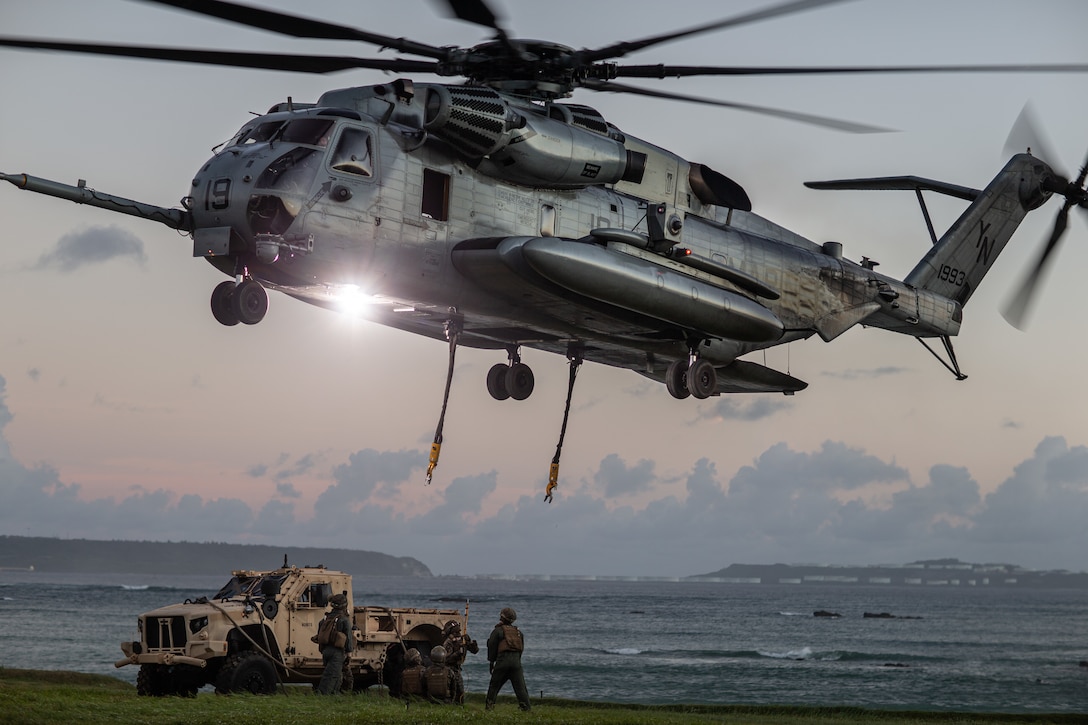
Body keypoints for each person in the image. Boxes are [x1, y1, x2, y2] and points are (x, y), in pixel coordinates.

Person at [485, 607, 530, 711]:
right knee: (520, 688)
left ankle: (489, 707)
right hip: (516, 663)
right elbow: (521, 649)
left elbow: (492, 646)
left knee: (494, 686)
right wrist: (517, 661)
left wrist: (491, 662)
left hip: (502, 662)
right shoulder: (519, 633)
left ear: (501, 617)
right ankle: (526, 708)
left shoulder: (498, 631)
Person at [315, 592, 353, 694]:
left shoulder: (325, 618)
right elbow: (349, 638)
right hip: (337, 652)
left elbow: (319, 633)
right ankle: (323, 695)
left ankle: (334, 695)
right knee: (331, 676)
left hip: (325, 651)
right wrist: (349, 653)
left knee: (336, 675)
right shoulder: (344, 620)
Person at [442, 620, 479, 704]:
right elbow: (446, 659)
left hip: (457, 669)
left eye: (459, 632)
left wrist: (471, 643)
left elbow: (475, 651)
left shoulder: (462, 640)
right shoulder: (448, 643)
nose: (458, 634)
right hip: (449, 669)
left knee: (460, 692)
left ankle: (459, 707)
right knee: (451, 691)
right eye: (455, 632)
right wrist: (458, 653)